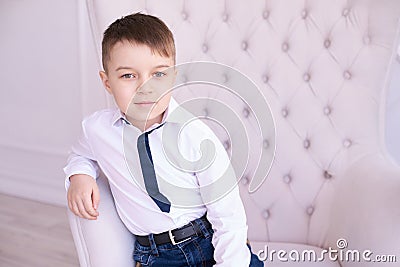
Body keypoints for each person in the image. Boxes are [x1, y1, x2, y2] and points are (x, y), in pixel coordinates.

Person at [64, 12, 263, 266]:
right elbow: (80, 153)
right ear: (107, 82)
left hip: (209, 243)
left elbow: (228, 215)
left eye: (158, 74)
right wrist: (80, 175)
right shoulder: (97, 129)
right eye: (128, 76)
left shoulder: (194, 135)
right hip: (155, 256)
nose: (145, 88)